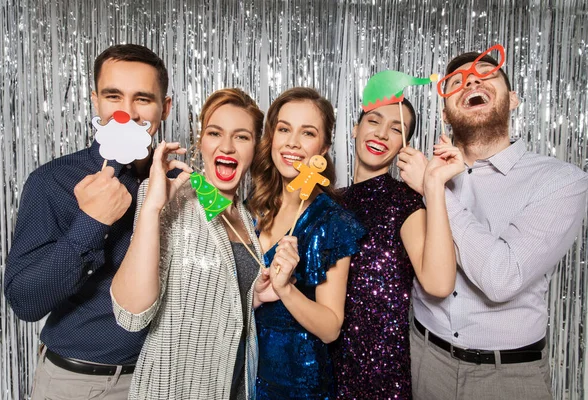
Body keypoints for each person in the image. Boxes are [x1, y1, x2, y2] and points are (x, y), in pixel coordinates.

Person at [399, 45, 588, 399]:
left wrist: (434, 189)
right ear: (444, 114)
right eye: (457, 81)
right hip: (424, 360)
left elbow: (501, 278)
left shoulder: (561, 181)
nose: (471, 80)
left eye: (486, 74)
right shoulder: (418, 171)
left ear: (513, 99)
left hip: (509, 378)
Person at [4, 44, 171, 399]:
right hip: (82, 384)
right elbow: (25, 302)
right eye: (114, 96)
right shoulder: (53, 181)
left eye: (142, 98)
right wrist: (91, 223)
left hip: (163, 379)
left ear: (165, 108)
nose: (126, 112)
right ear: (95, 101)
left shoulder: (177, 183)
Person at [111, 88, 267, 399]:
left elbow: (224, 304)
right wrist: (154, 207)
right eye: (215, 132)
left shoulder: (248, 217)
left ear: (256, 148)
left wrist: (257, 297)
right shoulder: (171, 198)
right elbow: (131, 315)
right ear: (201, 142)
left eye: (242, 137)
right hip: (171, 390)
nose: (227, 146)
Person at [333, 82, 463, 399]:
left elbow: (439, 283)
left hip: (380, 376)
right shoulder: (330, 201)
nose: (381, 134)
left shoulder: (403, 203)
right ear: (354, 129)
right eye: (374, 121)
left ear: (403, 144)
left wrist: (432, 185)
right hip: (325, 366)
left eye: (396, 128)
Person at [249, 87, 366, 399]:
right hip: (242, 373)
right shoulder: (253, 206)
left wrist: (285, 289)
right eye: (284, 129)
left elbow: (331, 328)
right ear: (271, 137)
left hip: (297, 385)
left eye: (307, 133)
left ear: (324, 146)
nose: (292, 142)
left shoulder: (332, 222)